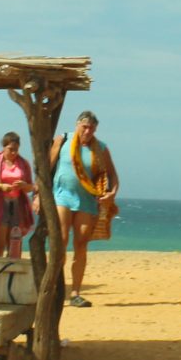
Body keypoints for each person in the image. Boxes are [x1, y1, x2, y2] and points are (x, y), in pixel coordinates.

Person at [52, 111, 118, 308]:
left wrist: (111, 193)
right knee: (60, 241)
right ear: (77, 125)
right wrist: (38, 194)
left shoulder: (101, 148)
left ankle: (75, 293)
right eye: (84, 127)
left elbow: (113, 176)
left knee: (81, 244)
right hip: (62, 196)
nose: (87, 131)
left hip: (87, 201)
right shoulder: (63, 140)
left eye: (91, 128)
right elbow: (47, 166)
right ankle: (54, 289)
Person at [0, 132, 35, 263]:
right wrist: (0, 186)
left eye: (16, 149)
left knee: (14, 245)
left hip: (17, 205)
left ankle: (12, 276)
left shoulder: (23, 163)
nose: (14, 153)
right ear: (3, 147)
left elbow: (31, 187)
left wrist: (23, 185)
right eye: (10, 149)